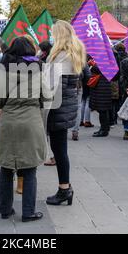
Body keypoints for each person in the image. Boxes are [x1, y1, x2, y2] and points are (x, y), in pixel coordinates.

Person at [0, 37, 48, 222]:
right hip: (31, 123)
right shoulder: (39, 71)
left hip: (8, 123)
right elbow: (47, 98)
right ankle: (28, 212)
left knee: (6, 168)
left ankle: (5, 210)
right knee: (30, 169)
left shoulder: (4, 73)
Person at [46, 20, 85, 206]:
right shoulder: (73, 53)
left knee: (59, 150)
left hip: (57, 108)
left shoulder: (62, 56)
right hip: (65, 107)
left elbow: (52, 87)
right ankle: (65, 187)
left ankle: (64, 189)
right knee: (60, 150)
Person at [89, 58, 112, 138]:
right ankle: (104, 128)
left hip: (102, 87)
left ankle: (103, 130)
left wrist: (93, 65)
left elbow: (99, 69)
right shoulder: (107, 59)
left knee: (102, 110)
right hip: (103, 87)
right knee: (103, 110)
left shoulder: (104, 60)